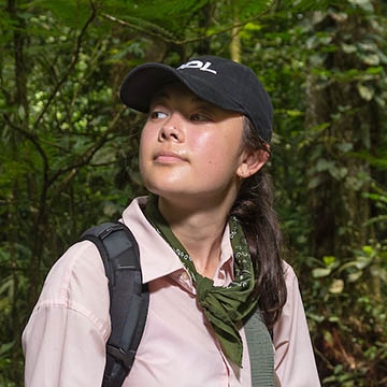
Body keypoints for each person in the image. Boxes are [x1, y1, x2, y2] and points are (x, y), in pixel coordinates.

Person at [22, 55, 321, 386]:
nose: (168, 129)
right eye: (158, 113)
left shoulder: (270, 278)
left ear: (250, 158)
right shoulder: (93, 275)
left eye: (198, 116)